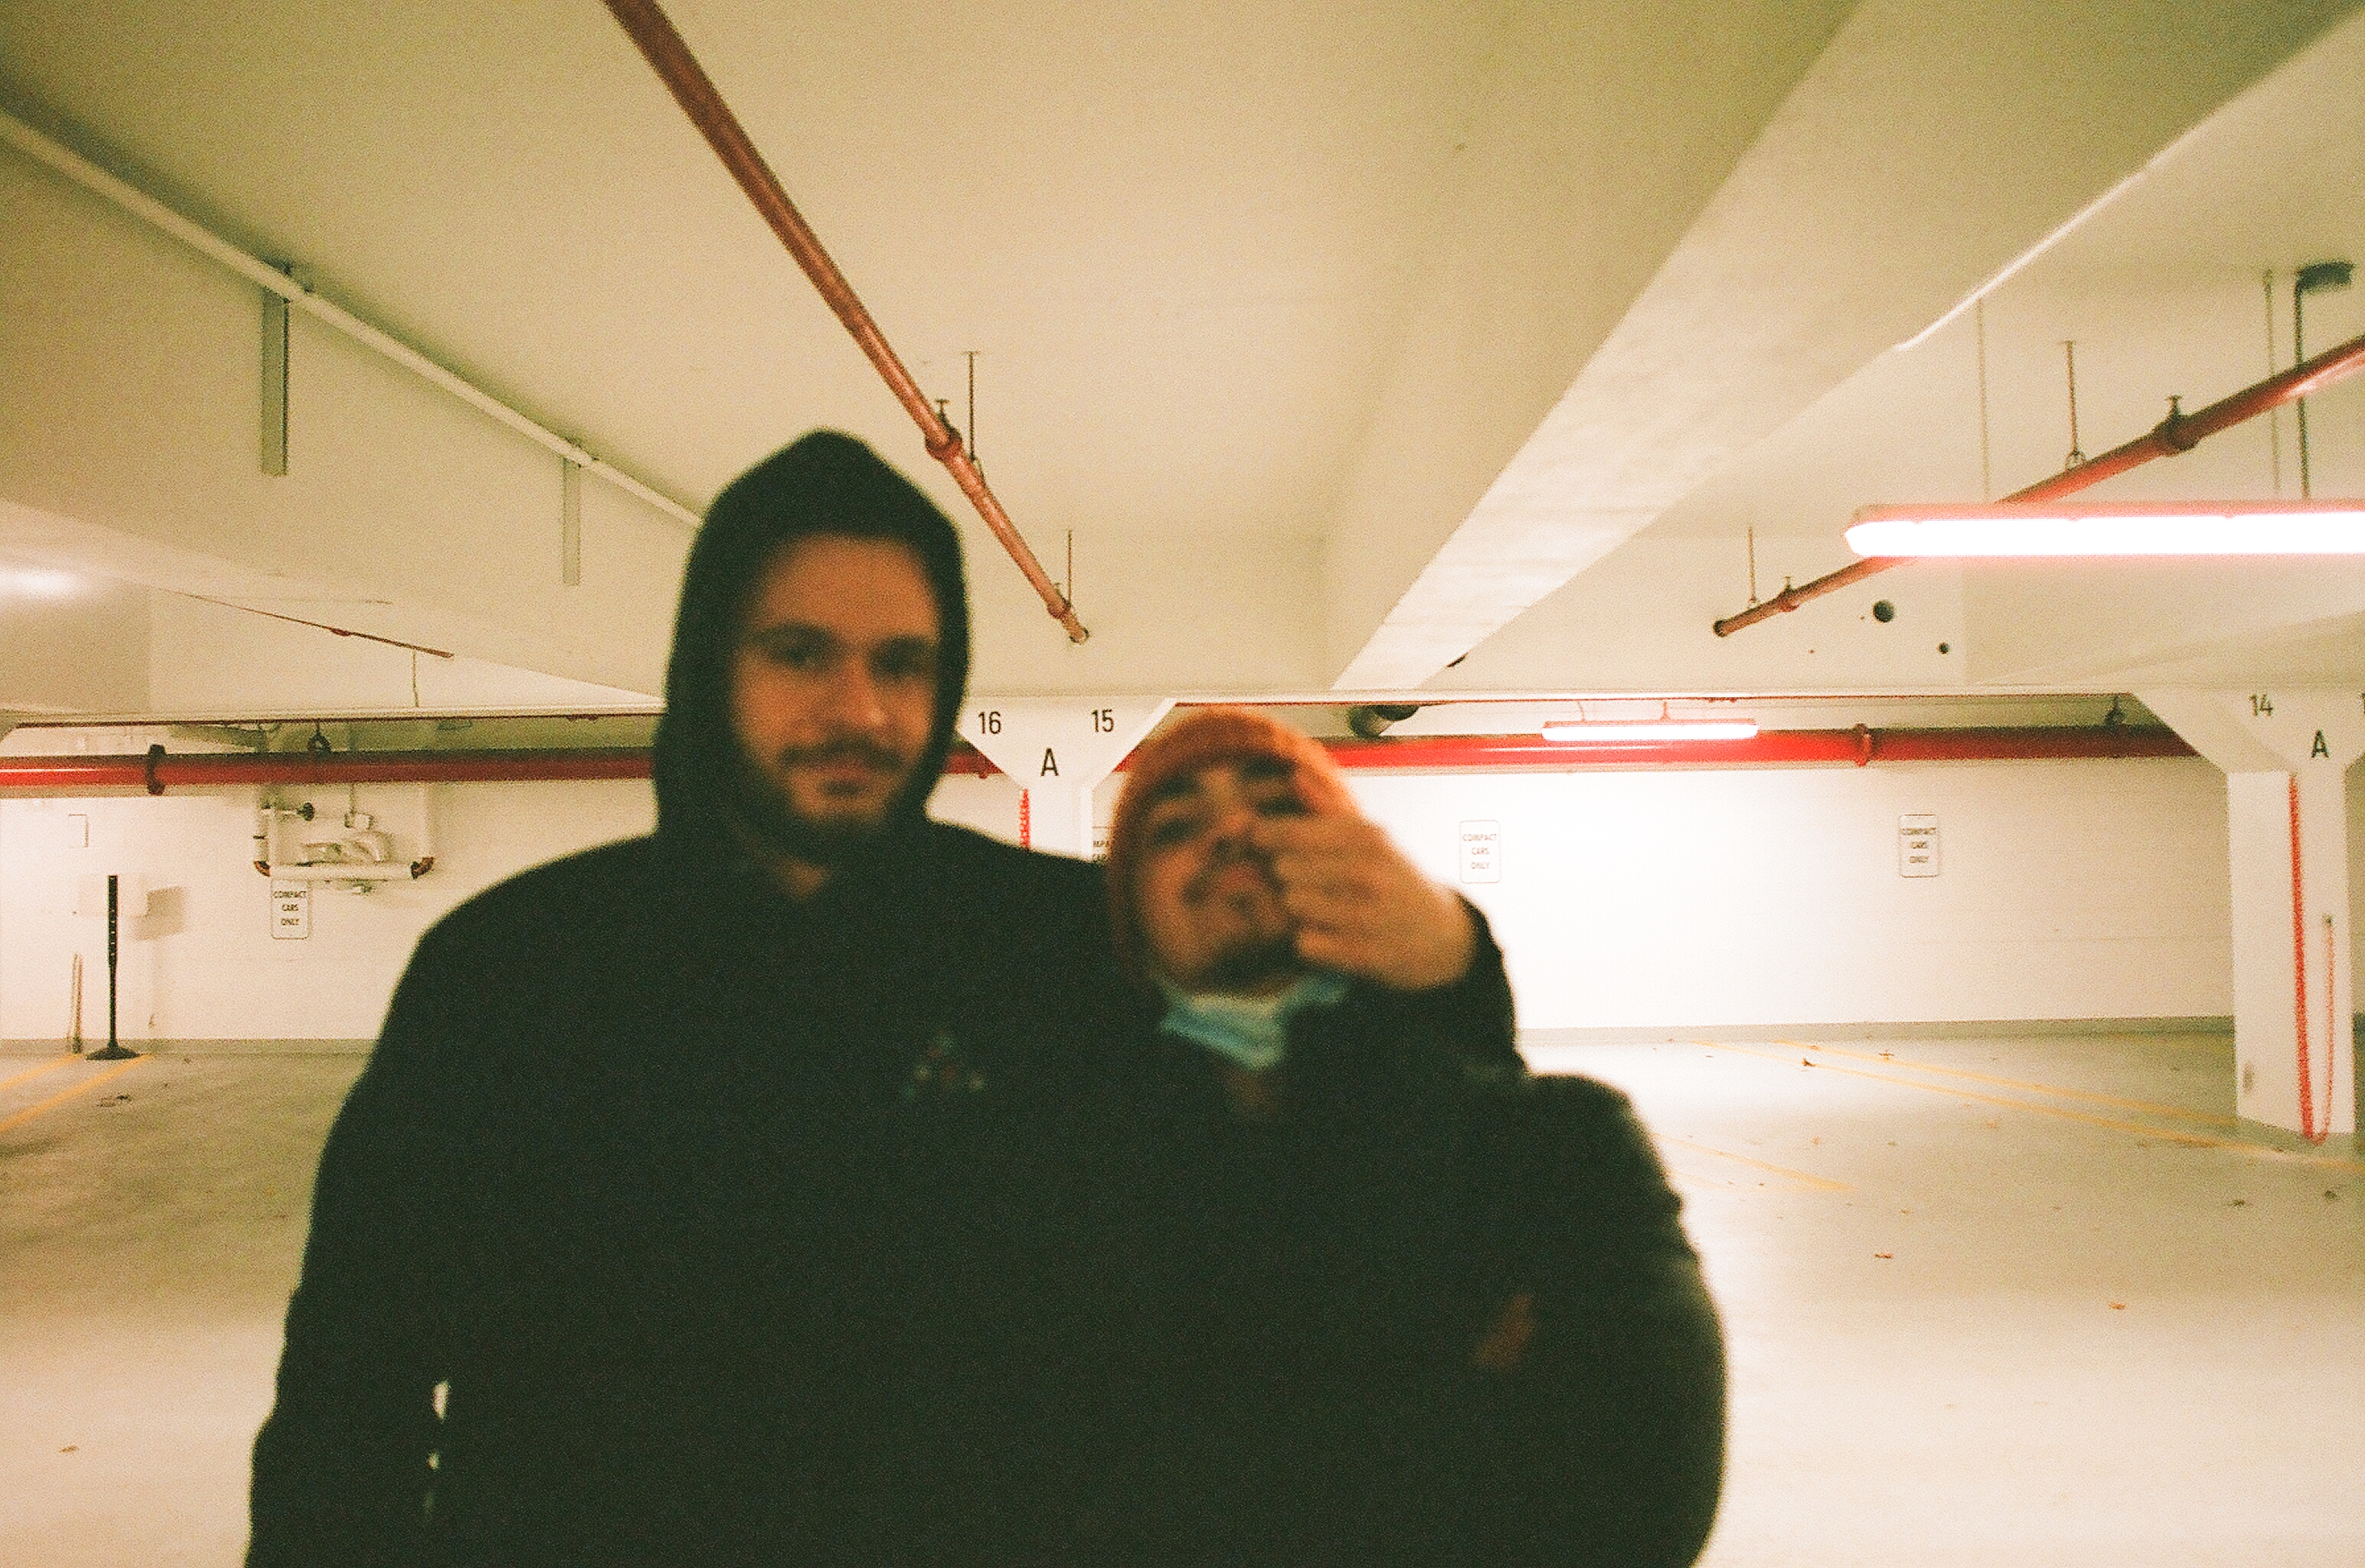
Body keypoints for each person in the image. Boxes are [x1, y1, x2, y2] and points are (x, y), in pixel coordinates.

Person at [245, 432, 1486, 1567]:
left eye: (903, 663)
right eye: (799, 653)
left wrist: (1446, 962)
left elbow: (1358, 1149)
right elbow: (352, 1389)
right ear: (710, 664)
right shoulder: (511, 974)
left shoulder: (1062, 945)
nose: (859, 709)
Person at [1095, 708, 1727, 1568]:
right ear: (1128, 923)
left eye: (1278, 809)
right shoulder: (1065, 1172)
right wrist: (1450, 1394)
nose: (1234, 831)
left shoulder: (1561, 1149)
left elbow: (1635, 1505)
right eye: (1175, 827)